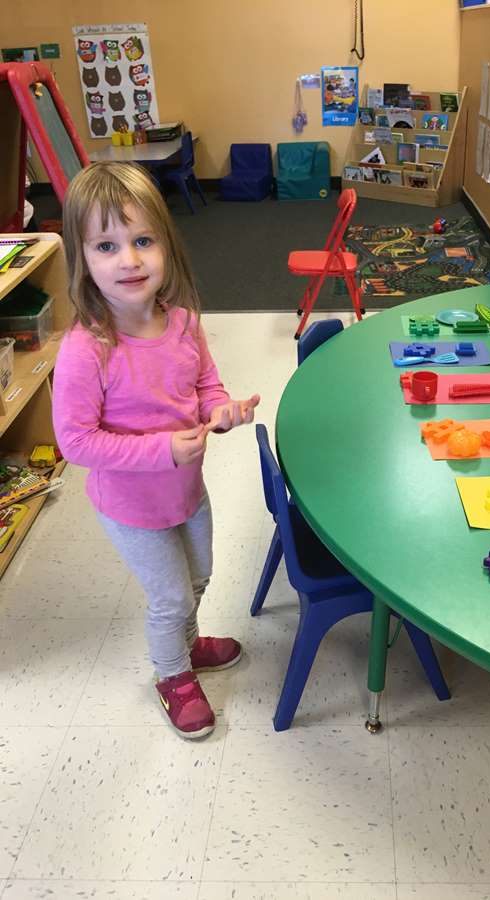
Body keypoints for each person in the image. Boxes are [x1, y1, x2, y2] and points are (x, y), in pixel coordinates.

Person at [53, 162, 260, 740]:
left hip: (187, 492)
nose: (130, 260)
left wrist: (222, 411)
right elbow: (75, 442)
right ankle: (173, 675)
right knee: (169, 597)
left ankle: (188, 645)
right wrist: (163, 449)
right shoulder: (86, 349)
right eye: (106, 245)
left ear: (166, 245)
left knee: (199, 578)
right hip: (131, 507)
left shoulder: (185, 324)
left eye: (143, 240)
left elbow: (206, 386)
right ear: (82, 258)